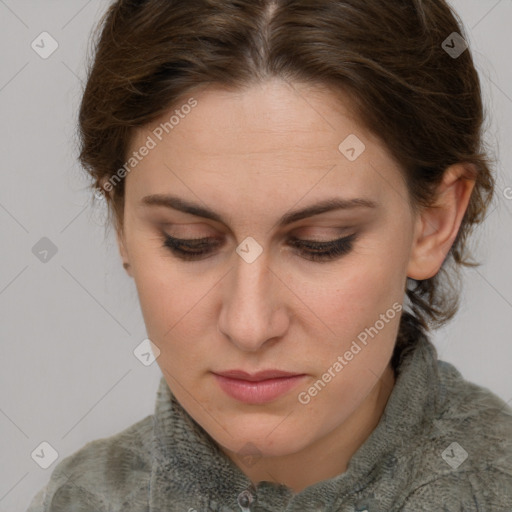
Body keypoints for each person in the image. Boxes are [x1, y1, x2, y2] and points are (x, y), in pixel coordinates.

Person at [27, 0, 512, 510]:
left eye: (321, 242)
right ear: (120, 222)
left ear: (432, 224)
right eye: (187, 240)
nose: (250, 325)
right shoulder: (81, 499)